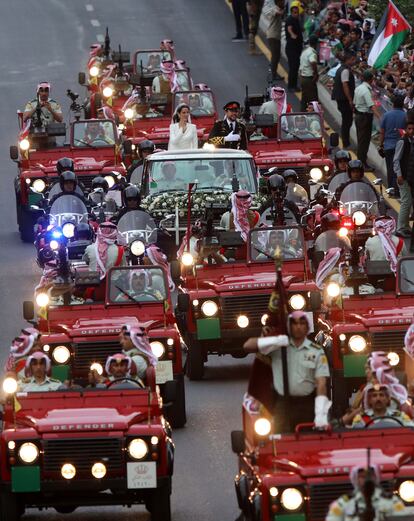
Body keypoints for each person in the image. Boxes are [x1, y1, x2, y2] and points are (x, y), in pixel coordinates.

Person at [243, 311, 331, 433]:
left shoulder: (316, 352)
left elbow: (321, 384)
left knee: (308, 443)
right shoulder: (278, 348)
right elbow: (248, 346)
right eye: (294, 323)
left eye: (302, 323)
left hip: (307, 405)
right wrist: (274, 340)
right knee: (281, 443)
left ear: (307, 328)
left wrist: (321, 414)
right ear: (288, 327)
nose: (298, 327)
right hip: (283, 405)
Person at [326, 464, 406, 520]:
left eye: (370, 475)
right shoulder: (343, 503)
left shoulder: (392, 501)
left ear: (375, 477)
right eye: (362, 477)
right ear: (356, 479)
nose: (367, 480)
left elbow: (403, 518)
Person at [379, 95, 407, 195]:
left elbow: (382, 132)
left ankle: (391, 188)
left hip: (388, 146)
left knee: (390, 168)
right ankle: (399, 189)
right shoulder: (405, 116)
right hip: (401, 147)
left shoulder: (386, 115)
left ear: (393, 104)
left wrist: (380, 145)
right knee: (400, 169)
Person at [353, 69, 381, 170]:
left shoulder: (359, 88)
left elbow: (354, 102)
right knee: (364, 142)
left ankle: (362, 162)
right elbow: (372, 106)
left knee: (361, 140)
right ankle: (362, 164)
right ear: (371, 79)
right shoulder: (366, 91)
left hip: (359, 116)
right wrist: (381, 118)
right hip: (365, 118)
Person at [393, 119, 414, 238]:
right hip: (403, 176)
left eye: (413, 129)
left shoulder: (411, 141)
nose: (411, 131)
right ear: (405, 130)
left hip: (409, 177)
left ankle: (405, 226)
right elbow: (396, 159)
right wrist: (399, 174)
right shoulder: (402, 142)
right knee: (406, 201)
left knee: (408, 201)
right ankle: (400, 227)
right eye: (409, 129)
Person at [332, 51, 357, 149]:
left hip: (342, 99)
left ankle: (346, 141)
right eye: (353, 59)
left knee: (347, 120)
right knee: (347, 121)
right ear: (349, 59)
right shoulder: (345, 71)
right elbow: (345, 85)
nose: (354, 61)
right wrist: (350, 100)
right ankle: (346, 143)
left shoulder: (342, 68)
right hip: (344, 100)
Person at [285, 4, 303, 92]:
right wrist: (293, 35)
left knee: (295, 67)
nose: (296, 14)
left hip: (297, 48)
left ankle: (294, 85)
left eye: (297, 12)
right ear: (291, 13)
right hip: (292, 49)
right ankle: (291, 86)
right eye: (295, 13)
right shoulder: (290, 20)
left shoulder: (297, 20)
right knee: (293, 67)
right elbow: (289, 29)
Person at [299, 35, 319, 110]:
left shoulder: (305, 51)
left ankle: (302, 113)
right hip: (309, 79)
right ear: (316, 44)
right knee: (313, 100)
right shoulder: (312, 53)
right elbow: (313, 62)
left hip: (303, 77)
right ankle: (314, 116)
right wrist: (316, 73)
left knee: (304, 99)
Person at [266, 0, 284, 81]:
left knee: (277, 55)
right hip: (273, 35)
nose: (283, 2)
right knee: (275, 55)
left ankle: (274, 72)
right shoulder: (275, 9)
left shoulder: (278, 8)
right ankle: (273, 74)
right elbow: (277, 13)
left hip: (276, 36)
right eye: (282, 1)